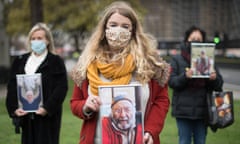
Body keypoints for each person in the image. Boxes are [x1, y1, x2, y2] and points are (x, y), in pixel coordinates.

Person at [70, 1, 170, 144]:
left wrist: (150, 131)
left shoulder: (149, 63)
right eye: (113, 25)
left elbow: (161, 101)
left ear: (133, 31)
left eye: (125, 26)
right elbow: (75, 103)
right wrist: (86, 106)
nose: (118, 30)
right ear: (104, 29)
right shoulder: (87, 64)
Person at [6, 22, 68, 144]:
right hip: (26, 117)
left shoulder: (55, 61)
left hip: (47, 118)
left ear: (47, 41)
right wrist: (14, 109)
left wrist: (47, 108)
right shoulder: (20, 61)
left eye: (39, 38)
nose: (36, 41)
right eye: (33, 39)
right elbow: (12, 86)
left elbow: (61, 87)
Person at [168, 26, 224, 144]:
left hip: (203, 111)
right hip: (183, 111)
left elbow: (219, 85)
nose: (195, 41)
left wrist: (213, 78)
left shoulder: (209, 59)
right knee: (184, 141)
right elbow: (172, 82)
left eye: (199, 39)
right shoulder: (177, 59)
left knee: (200, 141)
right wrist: (185, 76)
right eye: (193, 38)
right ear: (186, 40)